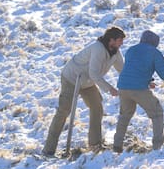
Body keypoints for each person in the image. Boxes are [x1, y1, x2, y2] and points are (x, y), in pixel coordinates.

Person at [42, 26, 126, 156]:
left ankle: (95, 145)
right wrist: (110, 89)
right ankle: (48, 149)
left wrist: (140, 81)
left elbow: (123, 70)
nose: (122, 43)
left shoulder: (115, 52)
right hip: (72, 78)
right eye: (120, 40)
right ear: (111, 40)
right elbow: (94, 73)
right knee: (64, 110)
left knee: (97, 107)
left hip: (87, 82)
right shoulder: (98, 49)